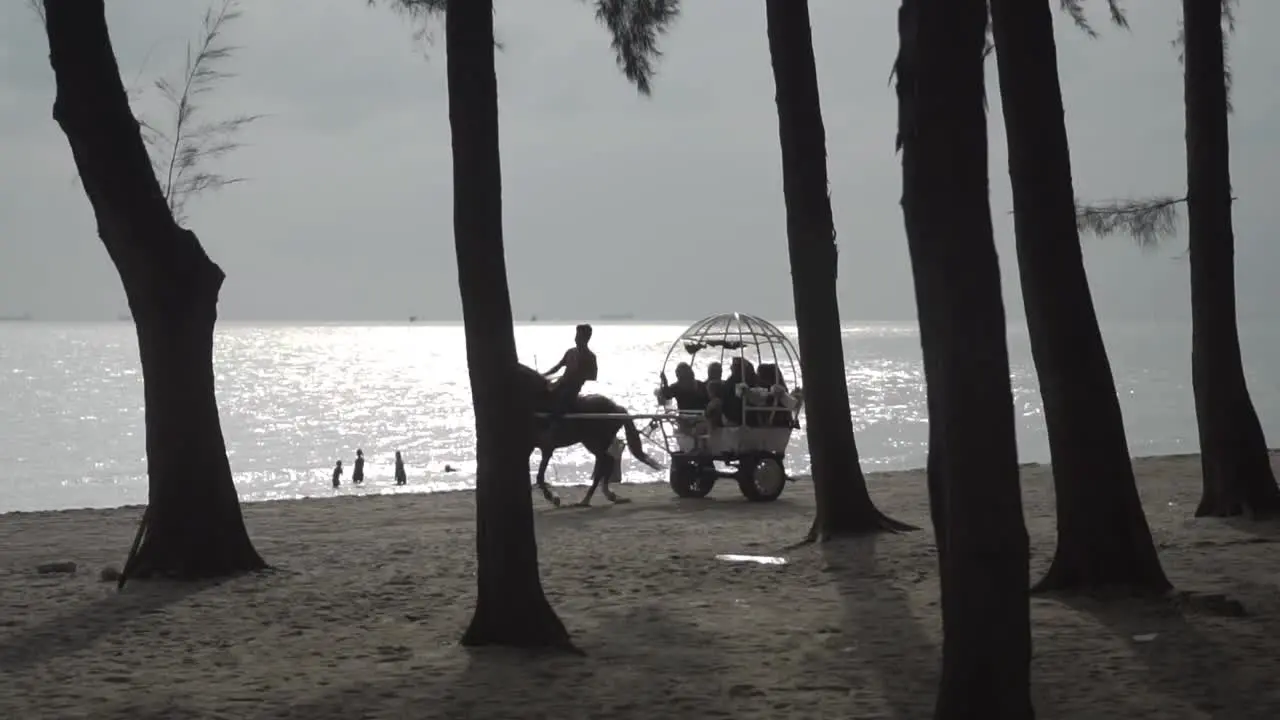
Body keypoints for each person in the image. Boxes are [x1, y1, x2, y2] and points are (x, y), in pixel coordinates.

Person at [542, 323, 598, 418]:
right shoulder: (570, 352)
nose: (576, 338)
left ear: (586, 338)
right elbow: (558, 367)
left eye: (579, 336)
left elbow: (593, 376)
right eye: (576, 335)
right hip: (560, 383)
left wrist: (579, 377)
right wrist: (543, 375)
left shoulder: (590, 357)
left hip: (572, 389)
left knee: (559, 407)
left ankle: (554, 425)